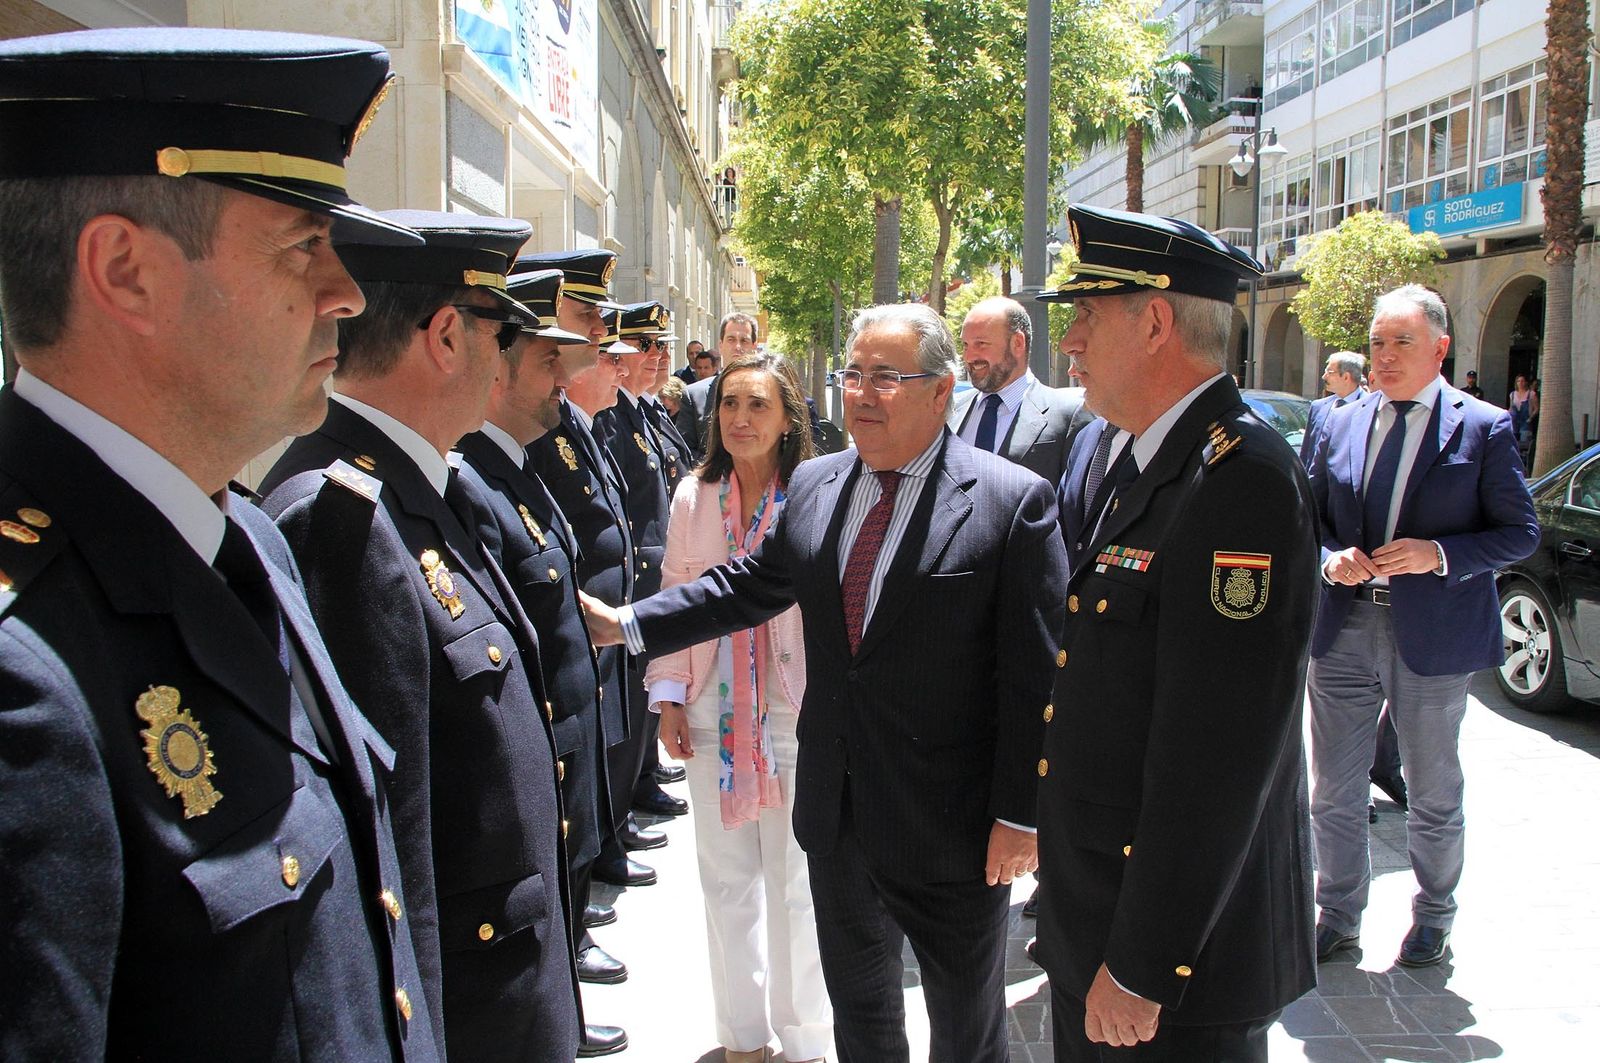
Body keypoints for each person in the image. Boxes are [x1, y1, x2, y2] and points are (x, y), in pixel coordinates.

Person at [0, 28, 442, 1061]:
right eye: (302, 245)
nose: (346, 292)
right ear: (126, 271)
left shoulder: (245, 539)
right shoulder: (25, 677)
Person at [586, 302, 1069, 1062]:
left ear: (941, 391)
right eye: (854, 375)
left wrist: (1021, 815)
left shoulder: (1011, 502)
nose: (863, 394)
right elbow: (746, 586)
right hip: (836, 817)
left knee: (965, 1030)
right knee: (862, 1018)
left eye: (887, 377)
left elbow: (1033, 675)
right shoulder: (816, 484)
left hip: (952, 827)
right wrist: (629, 623)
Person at [258, 211, 580, 1062]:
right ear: (444, 336)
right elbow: (390, 853)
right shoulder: (342, 518)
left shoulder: (433, 486)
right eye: (502, 334)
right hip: (466, 1019)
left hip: (510, 993)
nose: (508, 360)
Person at [1034, 203, 1319, 1062]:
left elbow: (1218, 755)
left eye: (1086, 314)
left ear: (1155, 322)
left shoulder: (1239, 478)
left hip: (1171, 968)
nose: (1069, 341)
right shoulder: (1147, 455)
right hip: (1102, 919)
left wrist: (1146, 962)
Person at [1307, 284, 1539, 969]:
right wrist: (1328, 558)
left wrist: (1438, 554)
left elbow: (1519, 532)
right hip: (1344, 627)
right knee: (1334, 788)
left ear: (1440, 349)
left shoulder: (1484, 427)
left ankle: (1434, 915)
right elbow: (1304, 517)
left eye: (1401, 342)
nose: (1384, 356)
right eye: (1377, 342)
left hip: (1433, 636)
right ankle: (1338, 914)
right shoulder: (1336, 420)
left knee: (1433, 790)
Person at [452, 267, 629, 1058]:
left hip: (571, 729)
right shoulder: (472, 477)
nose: (565, 373)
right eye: (546, 358)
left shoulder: (517, 463)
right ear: (497, 370)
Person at [644, 352, 830, 1063]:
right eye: (728, 404)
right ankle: (743, 1039)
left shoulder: (814, 491)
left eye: (757, 405)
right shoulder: (693, 496)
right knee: (725, 881)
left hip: (794, 711)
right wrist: (668, 695)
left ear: (788, 419)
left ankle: (805, 1042)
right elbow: (673, 590)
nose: (740, 419)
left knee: (796, 886)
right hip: (710, 712)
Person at [521, 250, 658, 907]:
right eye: (587, 317)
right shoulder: (538, 428)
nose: (606, 336)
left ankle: (599, 859)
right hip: (576, 626)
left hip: (604, 623)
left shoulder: (575, 421)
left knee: (600, 761)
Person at [593, 302, 691, 825]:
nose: (658, 356)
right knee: (629, 697)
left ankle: (640, 778)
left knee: (644, 688)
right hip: (633, 577)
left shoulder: (645, 412)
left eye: (661, 346)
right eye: (645, 346)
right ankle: (623, 799)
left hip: (654, 571)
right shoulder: (612, 417)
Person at [952, 295, 1088, 485]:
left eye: (981, 344)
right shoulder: (951, 410)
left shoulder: (1068, 415)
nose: (969, 357)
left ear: (1017, 343)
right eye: (965, 345)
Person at [677, 312, 757, 457]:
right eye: (731, 340)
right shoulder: (694, 396)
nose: (737, 346)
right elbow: (685, 451)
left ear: (754, 346)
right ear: (721, 345)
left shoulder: (770, 394)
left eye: (744, 340)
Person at [1301, 350, 1367, 465]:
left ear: (1346, 377)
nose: (1324, 376)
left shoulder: (1371, 408)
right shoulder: (1318, 407)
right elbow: (1307, 452)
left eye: (1329, 372)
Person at [1509, 372, 1538, 461]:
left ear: (1525, 382)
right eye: (1518, 381)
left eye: (1522, 381)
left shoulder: (1531, 394)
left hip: (1526, 421)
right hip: (1514, 421)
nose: (1520, 383)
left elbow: (1536, 408)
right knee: (1513, 443)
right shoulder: (1512, 394)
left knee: (1524, 444)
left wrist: (1531, 418)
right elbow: (1511, 408)